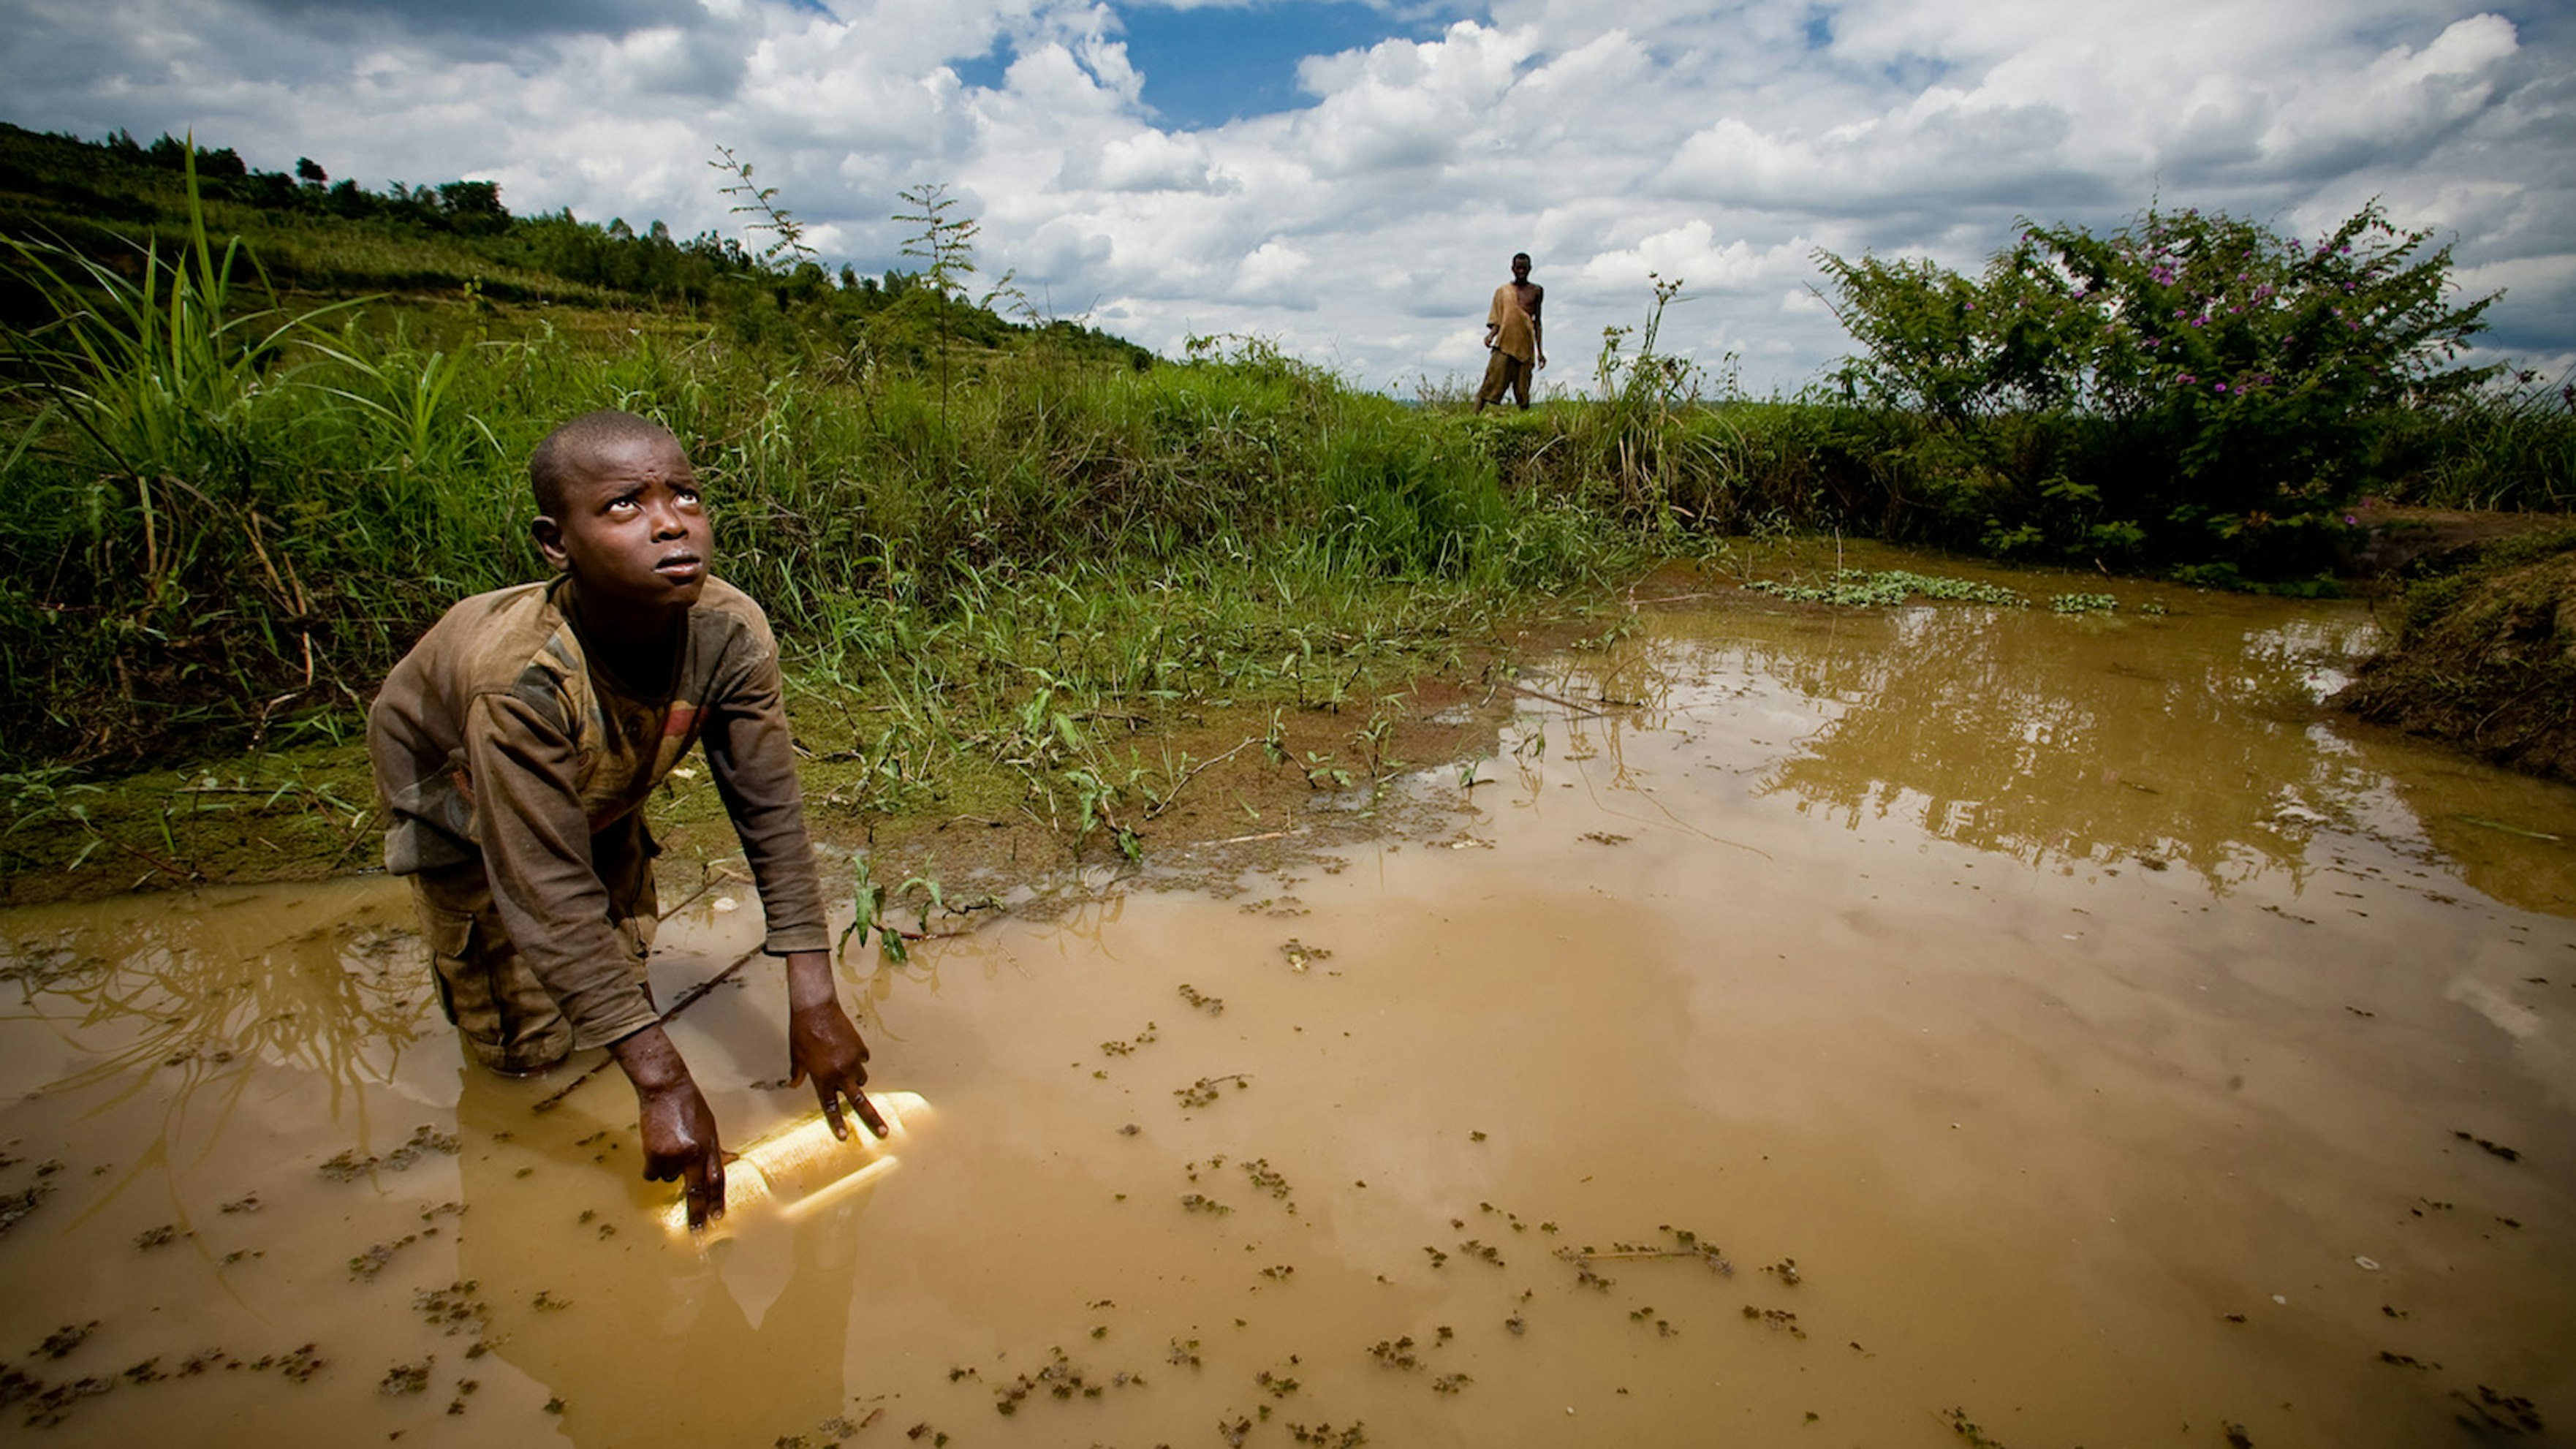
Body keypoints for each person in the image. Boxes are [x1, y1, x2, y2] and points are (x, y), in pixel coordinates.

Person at [368, 409, 884, 1228]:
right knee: (527, 1045)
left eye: (685, 494)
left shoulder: (727, 629)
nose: (670, 522)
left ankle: (612, 1029)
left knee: (619, 940)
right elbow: (542, 886)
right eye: (623, 505)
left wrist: (813, 999)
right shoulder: (520, 684)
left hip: (596, 773)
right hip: (463, 790)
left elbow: (771, 814)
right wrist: (665, 1083)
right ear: (554, 540)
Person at [1474, 251, 1546, 412]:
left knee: (1523, 389)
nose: (1521, 271)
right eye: (1518, 268)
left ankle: (1525, 422)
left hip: (1525, 346)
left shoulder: (1536, 291)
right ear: (1513, 269)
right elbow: (1499, 319)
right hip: (1504, 344)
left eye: (1524, 268)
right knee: (1491, 382)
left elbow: (1537, 322)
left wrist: (1540, 352)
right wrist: (1491, 335)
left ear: (1530, 269)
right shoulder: (1503, 291)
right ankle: (1473, 418)